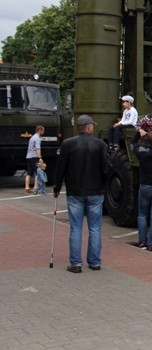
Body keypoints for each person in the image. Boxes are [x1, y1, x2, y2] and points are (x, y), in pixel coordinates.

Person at [52, 115, 112, 273]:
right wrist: (103, 184)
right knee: (95, 228)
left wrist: (57, 187)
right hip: (95, 191)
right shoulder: (100, 145)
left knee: (76, 228)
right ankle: (94, 262)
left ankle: (76, 263)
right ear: (89, 127)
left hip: (75, 191)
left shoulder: (68, 144)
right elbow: (106, 168)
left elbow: (60, 168)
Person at [23, 124, 45, 193]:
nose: (43, 132)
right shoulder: (37, 138)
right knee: (38, 172)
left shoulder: (32, 137)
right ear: (40, 130)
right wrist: (40, 158)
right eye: (43, 130)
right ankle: (35, 187)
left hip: (29, 156)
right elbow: (37, 149)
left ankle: (27, 187)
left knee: (29, 173)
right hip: (34, 157)